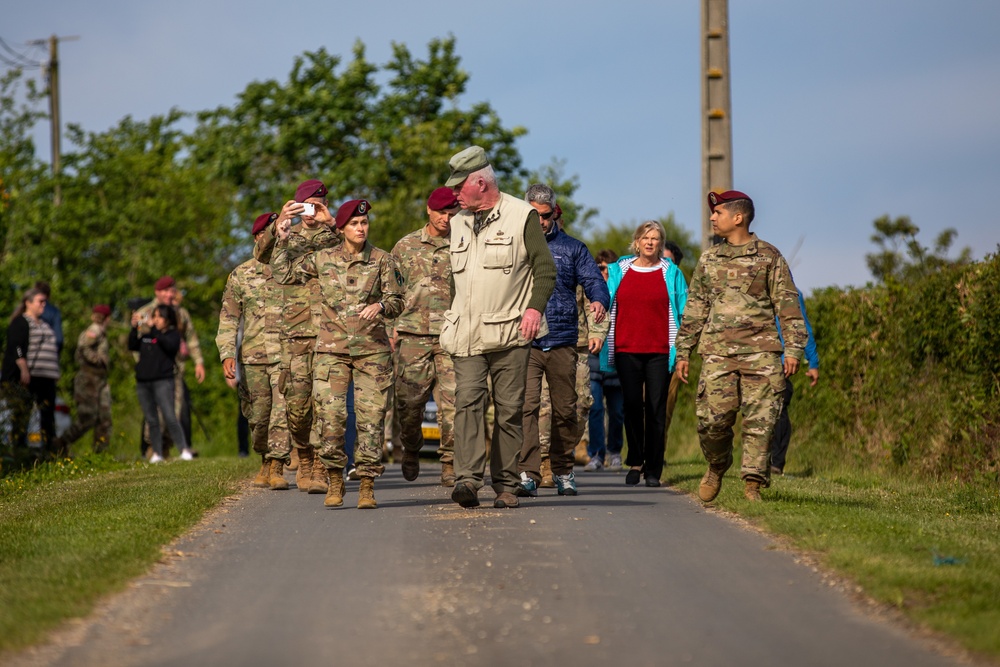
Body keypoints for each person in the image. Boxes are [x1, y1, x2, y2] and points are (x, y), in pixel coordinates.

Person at [440, 146, 557, 509]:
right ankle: (467, 481)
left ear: (480, 182)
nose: (454, 194)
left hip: (510, 333)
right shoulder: (458, 221)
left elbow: (545, 270)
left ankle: (506, 485)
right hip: (468, 334)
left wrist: (534, 310)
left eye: (459, 187)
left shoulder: (522, 216)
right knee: (468, 402)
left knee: (509, 410)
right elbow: (456, 283)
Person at [674, 190, 807, 502]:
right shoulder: (708, 260)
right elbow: (695, 309)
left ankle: (752, 484)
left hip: (762, 355)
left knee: (761, 422)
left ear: (738, 217)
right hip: (717, 354)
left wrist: (794, 350)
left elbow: (788, 306)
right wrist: (683, 352)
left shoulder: (769, 257)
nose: (711, 217)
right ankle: (717, 465)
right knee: (711, 421)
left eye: (717, 213)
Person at [272, 198, 404, 510]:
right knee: (331, 420)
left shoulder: (382, 260)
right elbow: (283, 274)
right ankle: (334, 478)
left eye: (365, 223)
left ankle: (368, 485)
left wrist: (382, 306)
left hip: (372, 352)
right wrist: (281, 236)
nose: (361, 228)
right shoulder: (322, 259)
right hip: (331, 352)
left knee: (371, 421)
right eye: (355, 224)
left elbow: (398, 299)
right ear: (342, 229)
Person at [516, 184, 608, 498]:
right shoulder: (514, 245)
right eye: (533, 215)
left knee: (566, 410)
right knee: (526, 409)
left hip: (563, 338)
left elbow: (593, 279)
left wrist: (599, 300)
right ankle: (528, 473)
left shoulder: (573, 248)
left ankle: (563, 470)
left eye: (544, 215)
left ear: (554, 213)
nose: (540, 222)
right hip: (524, 341)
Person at [255, 179, 342, 494]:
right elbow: (261, 256)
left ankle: (319, 465)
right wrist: (279, 227)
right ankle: (303, 451)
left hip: (330, 332)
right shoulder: (287, 235)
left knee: (325, 403)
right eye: (307, 205)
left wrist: (331, 224)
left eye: (317, 204)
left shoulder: (335, 233)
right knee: (297, 405)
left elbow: (352, 256)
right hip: (295, 331)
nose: (311, 211)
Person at [602, 221, 687, 487]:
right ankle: (635, 462)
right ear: (636, 242)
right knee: (631, 407)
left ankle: (653, 468)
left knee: (656, 409)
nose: (650, 242)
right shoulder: (619, 271)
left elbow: (684, 314)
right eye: (645, 238)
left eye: (655, 238)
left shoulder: (671, 273)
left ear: (661, 244)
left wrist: (683, 351)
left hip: (660, 351)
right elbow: (604, 306)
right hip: (627, 349)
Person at [389, 187, 460, 487]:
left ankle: (450, 463)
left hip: (450, 335)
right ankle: (411, 448)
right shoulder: (404, 247)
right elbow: (389, 292)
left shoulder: (464, 244)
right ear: (429, 211)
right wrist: (389, 327)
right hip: (412, 336)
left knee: (455, 404)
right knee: (409, 406)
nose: (446, 218)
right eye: (441, 212)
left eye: (451, 213)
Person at [217, 212, 292, 490]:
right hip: (253, 358)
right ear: (258, 237)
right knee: (258, 418)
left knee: (282, 412)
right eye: (270, 232)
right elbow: (228, 318)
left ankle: (277, 465)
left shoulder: (290, 269)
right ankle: (264, 457)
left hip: (285, 357)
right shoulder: (241, 275)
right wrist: (227, 353)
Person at [134, 275, 205, 457]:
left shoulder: (179, 313)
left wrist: (199, 363)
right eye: (165, 290)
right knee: (155, 411)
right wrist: (143, 364)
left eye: (171, 290)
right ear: (157, 292)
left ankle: (167, 447)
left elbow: (191, 338)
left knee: (175, 409)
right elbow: (136, 343)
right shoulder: (145, 312)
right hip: (154, 371)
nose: (169, 294)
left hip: (175, 368)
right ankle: (152, 447)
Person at [128, 304, 193, 463]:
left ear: (167, 319)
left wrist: (153, 329)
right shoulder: (147, 335)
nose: (155, 320)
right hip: (144, 382)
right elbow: (132, 345)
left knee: (170, 416)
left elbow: (168, 346)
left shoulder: (172, 335)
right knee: (151, 419)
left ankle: (184, 449)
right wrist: (134, 328)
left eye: (159, 316)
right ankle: (157, 452)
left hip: (163, 381)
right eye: (154, 316)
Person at [1, 288, 60, 460]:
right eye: (40, 301)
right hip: (30, 376)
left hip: (46, 377)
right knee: (22, 415)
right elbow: (16, 346)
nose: (44, 304)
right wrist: (24, 369)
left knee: (47, 415)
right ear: (28, 302)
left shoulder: (44, 323)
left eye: (44, 301)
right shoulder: (20, 322)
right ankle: (19, 452)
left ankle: (49, 452)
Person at [769, 291, 820, 475]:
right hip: (757, 359)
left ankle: (776, 463)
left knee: (780, 408)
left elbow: (802, 326)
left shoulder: (791, 293)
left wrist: (813, 362)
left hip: (782, 361)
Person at [52, 305, 113, 455]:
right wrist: (98, 359)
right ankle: (61, 443)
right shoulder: (95, 330)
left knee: (104, 418)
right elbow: (83, 347)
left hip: (100, 379)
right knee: (88, 417)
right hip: (89, 378)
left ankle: (101, 454)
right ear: (107, 318)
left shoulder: (101, 332)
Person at [586, 249, 624, 472]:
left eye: (607, 268)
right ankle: (597, 454)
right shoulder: (589, 291)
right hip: (593, 361)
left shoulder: (621, 292)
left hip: (617, 361)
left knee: (618, 412)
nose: (603, 272)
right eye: (599, 267)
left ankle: (615, 452)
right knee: (595, 409)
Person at [35, 281, 64, 354]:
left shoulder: (28, 310)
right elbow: (59, 340)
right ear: (48, 295)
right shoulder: (54, 312)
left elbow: (17, 344)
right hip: (49, 356)